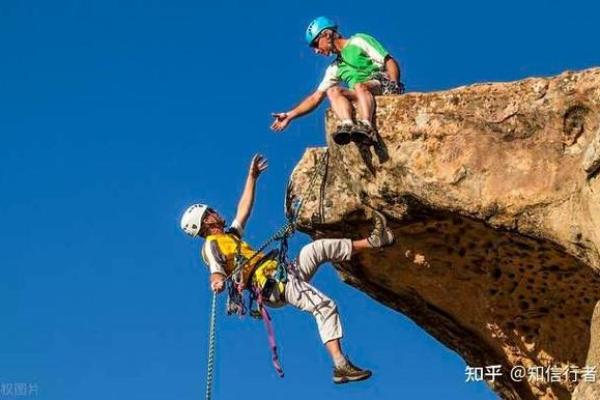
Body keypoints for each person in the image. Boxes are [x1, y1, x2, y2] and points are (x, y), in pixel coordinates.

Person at [180, 154, 395, 384]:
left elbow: (244, 210)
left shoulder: (230, 236)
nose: (215, 212)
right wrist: (217, 281)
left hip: (283, 273)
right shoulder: (211, 245)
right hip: (273, 285)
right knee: (324, 305)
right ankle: (340, 365)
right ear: (206, 223)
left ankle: (374, 241)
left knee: (316, 250)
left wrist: (251, 178)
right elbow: (216, 269)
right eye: (210, 212)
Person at [271, 16, 404, 146]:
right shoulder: (335, 67)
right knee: (333, 91)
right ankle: (347, 125)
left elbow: (388, 60)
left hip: (380, 83)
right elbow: (316, 97)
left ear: (326, 35)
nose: (316, 51)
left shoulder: (358, 41)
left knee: (359, 86)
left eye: (315, 44)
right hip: (361, 92)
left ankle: (367, 126)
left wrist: (394, 84)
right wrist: (290, 115)